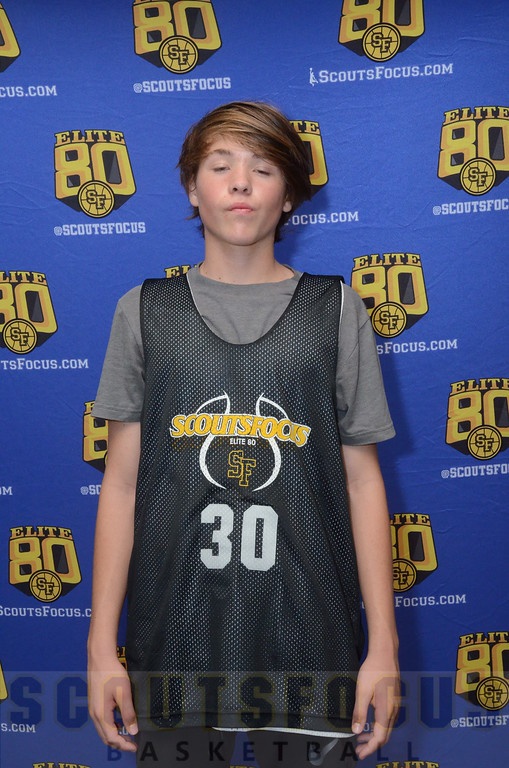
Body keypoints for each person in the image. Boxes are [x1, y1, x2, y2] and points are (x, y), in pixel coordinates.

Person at [87, 101, 400, 767]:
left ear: (288, 196)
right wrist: (99, 648)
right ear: (190, 188)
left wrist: (383, 647)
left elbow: (362, 482)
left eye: (262, 168)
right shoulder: (144, 311)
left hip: (311, 638)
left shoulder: (336, 310)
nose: (239, 183)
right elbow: (120, 486)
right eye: (220, 166)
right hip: (174, 638)